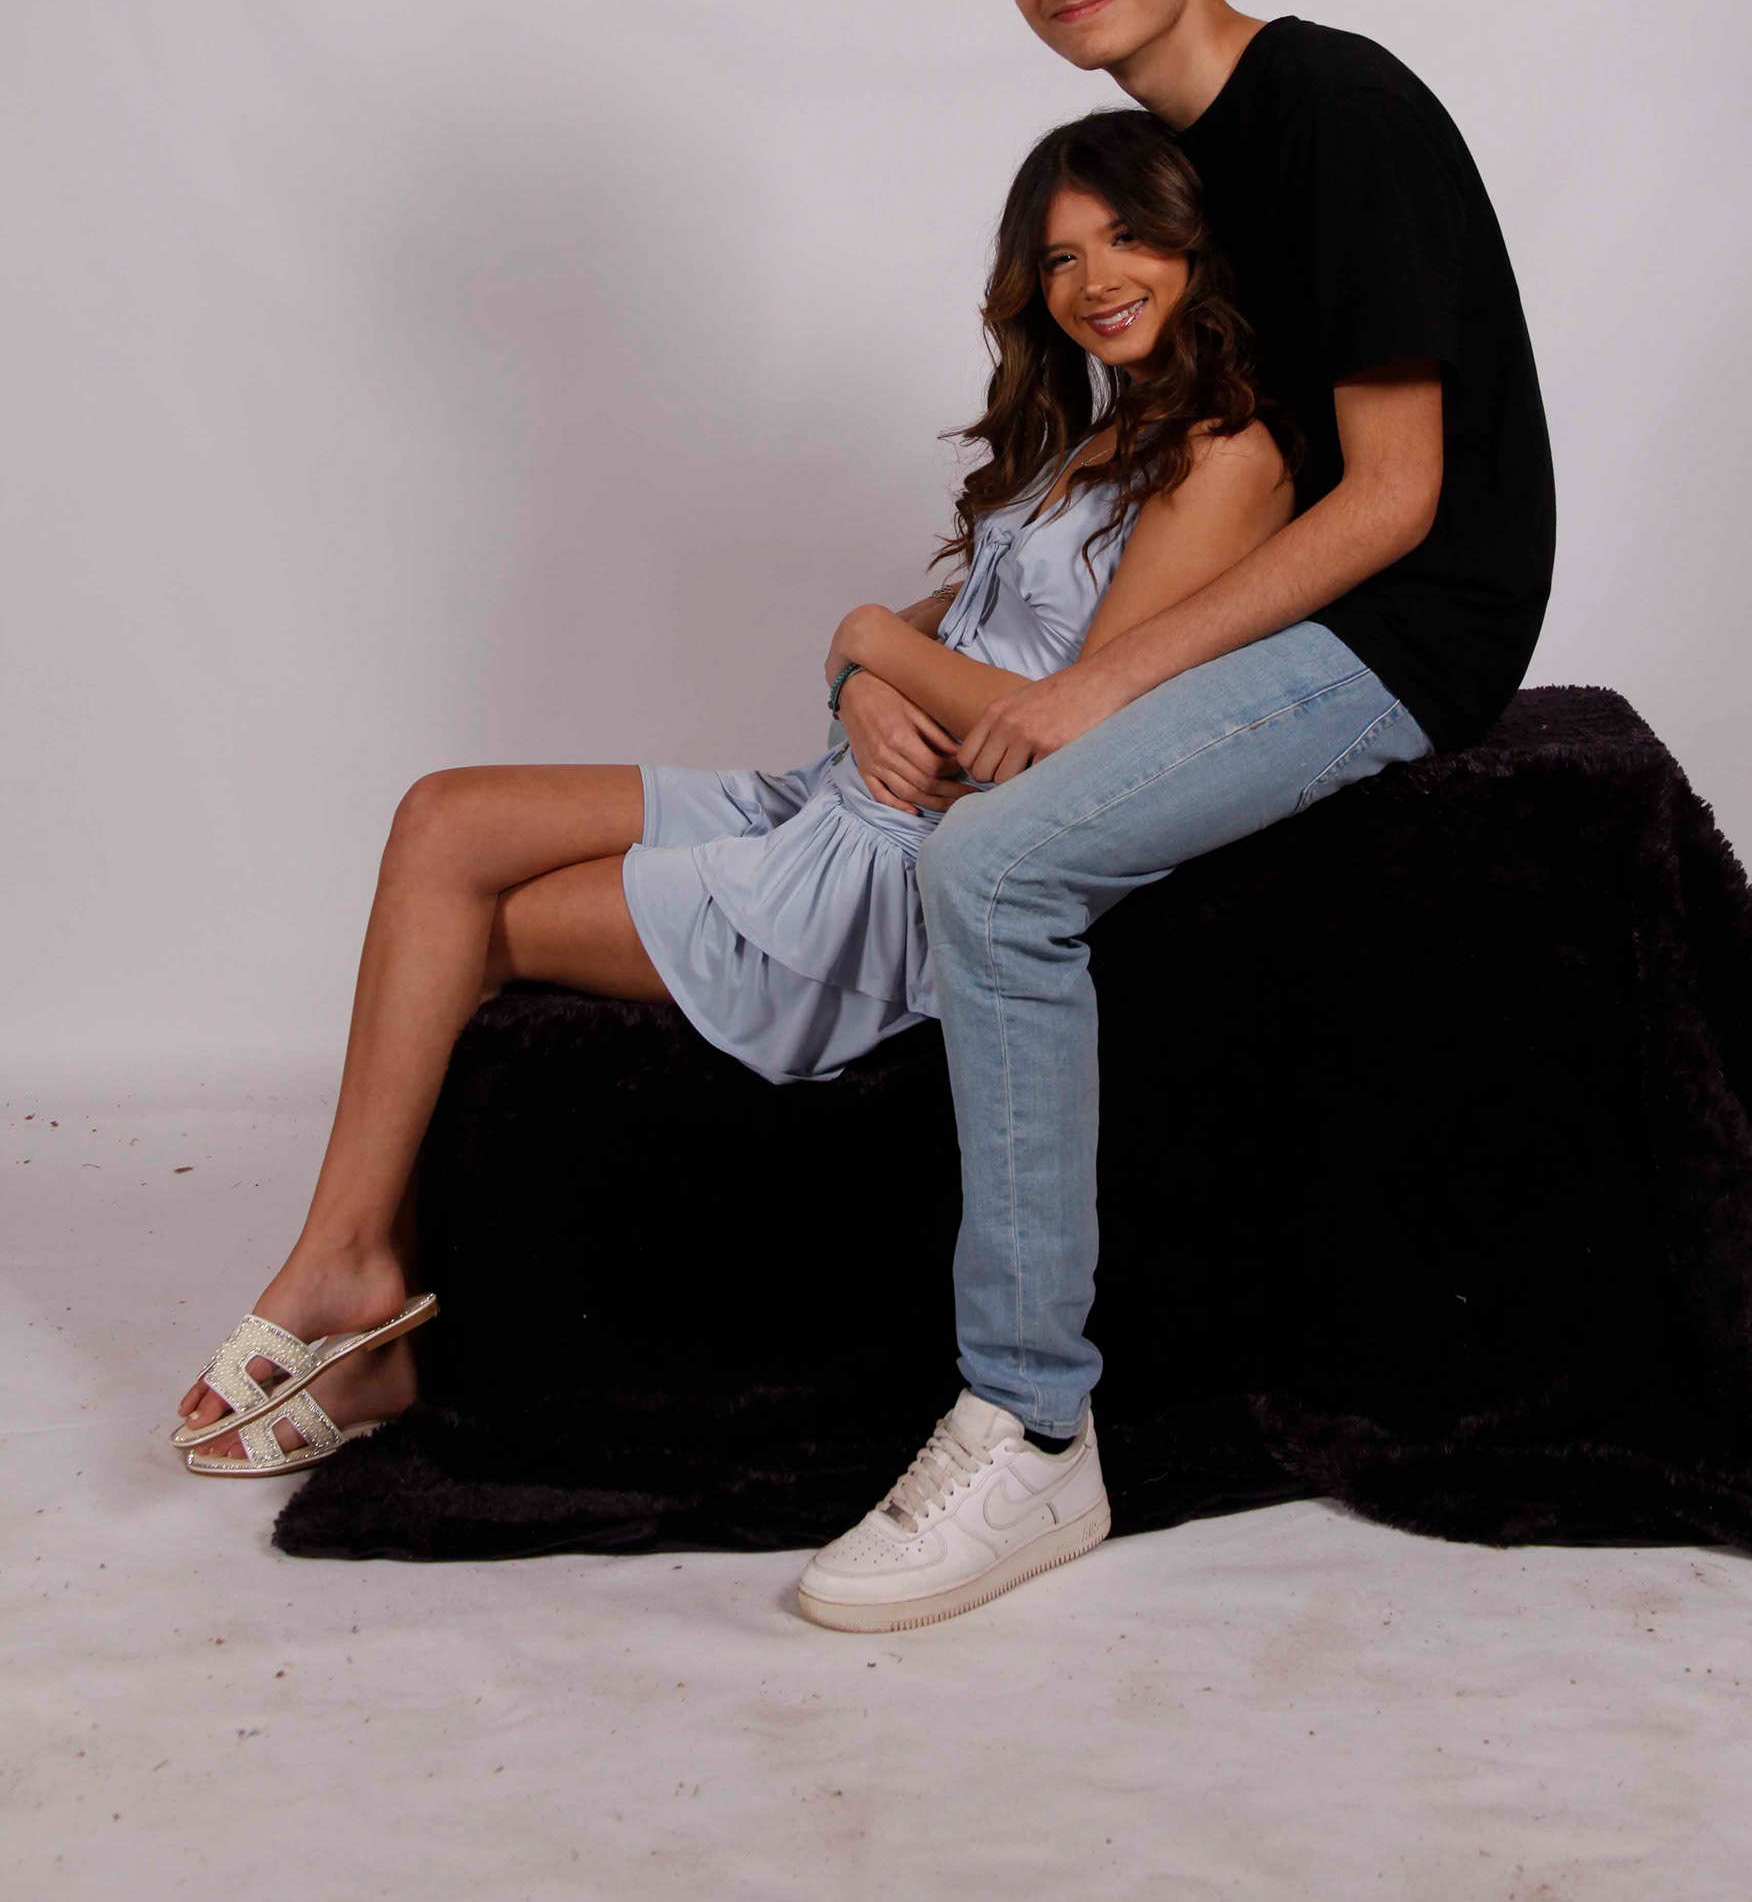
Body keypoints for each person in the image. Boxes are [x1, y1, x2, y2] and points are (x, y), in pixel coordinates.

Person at [171, 110, 1294, 1510]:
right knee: (441, 818)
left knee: (480, 931)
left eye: (1127, 237)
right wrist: (861, 678)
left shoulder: (1228, 456)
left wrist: (865, 641)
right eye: (1060, 257)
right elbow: (943, 633)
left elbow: (1067, 730)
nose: (1095, 280)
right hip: (841, 800)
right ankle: (349, 1264)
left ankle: (355, 1293)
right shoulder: (1104, 436)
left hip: (904, 879)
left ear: (1195, 241)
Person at [794, 0, 1554, 1633]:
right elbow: (1110, 487)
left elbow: (1398, 496)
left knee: (995, 870)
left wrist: (1101, 691)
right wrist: (889, 658)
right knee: (975, 828)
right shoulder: (1167, 172)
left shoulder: (1340, 111)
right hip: (1280, 596)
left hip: (1406, 628)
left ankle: (1033, 1430)